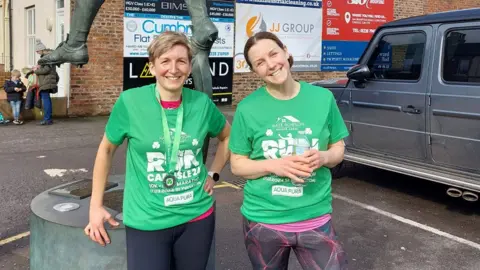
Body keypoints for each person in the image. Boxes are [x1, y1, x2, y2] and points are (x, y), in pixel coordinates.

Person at [84, 31, 231, 270]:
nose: (173, 69)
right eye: (165, 61)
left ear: (189, 66)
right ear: (152, 67)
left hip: (196, 216)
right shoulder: (130, 102)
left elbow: (227, 137)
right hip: (147, 220)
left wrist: (214, 173)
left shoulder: (201, 103)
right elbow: (106, 150)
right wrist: (95, 206)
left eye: (181, 61)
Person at [228, 31, 350, 270]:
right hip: (264, 221)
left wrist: (324, 156)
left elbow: (338, 148)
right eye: (260, 63)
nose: (271, 65)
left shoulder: (322, 98)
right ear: (255, 71)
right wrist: (274, 165)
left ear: (286, 51)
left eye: (273, 54)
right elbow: (237, 164)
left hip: (315, 217)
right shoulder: (247, 108)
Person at [34, 39, 58, 125]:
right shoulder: (49, 56)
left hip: (46, 81)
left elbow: (46, 70)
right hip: (48, 81)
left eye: (37, 50)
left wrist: (36, 70)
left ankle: (47, 119)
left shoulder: (46, 57)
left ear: (41, 49)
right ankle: (48, 118)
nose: (36, 52)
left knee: (46, 100)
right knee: (47, 99)